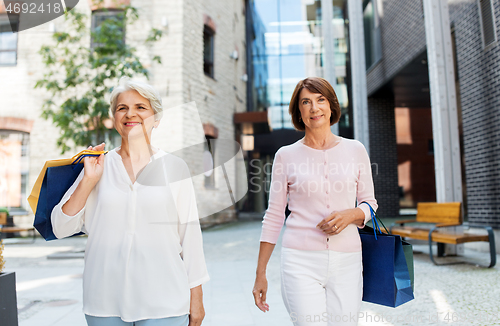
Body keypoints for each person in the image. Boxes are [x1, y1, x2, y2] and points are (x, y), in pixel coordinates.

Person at [51, 77, 209, 326]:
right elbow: (60, 227)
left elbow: (190, 238)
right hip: (104, 301)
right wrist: (88, 181)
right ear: (114, 119)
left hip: (164, 301)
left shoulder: (175, 168)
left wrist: (196, 298)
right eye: (122, 108)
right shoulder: (96, 166)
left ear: (156, 118)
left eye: (140, 107)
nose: (130, 113)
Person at [252, 77, 377, 326]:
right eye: (306, 102)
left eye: (320, 100)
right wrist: (260, 273)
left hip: (348, 260)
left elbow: (370, 203)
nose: (314, 108)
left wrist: (350, 215)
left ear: (331, 105)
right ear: (299, 111)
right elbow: (274, 215)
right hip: (300, 260)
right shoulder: (285, 156)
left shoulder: (356, 150)